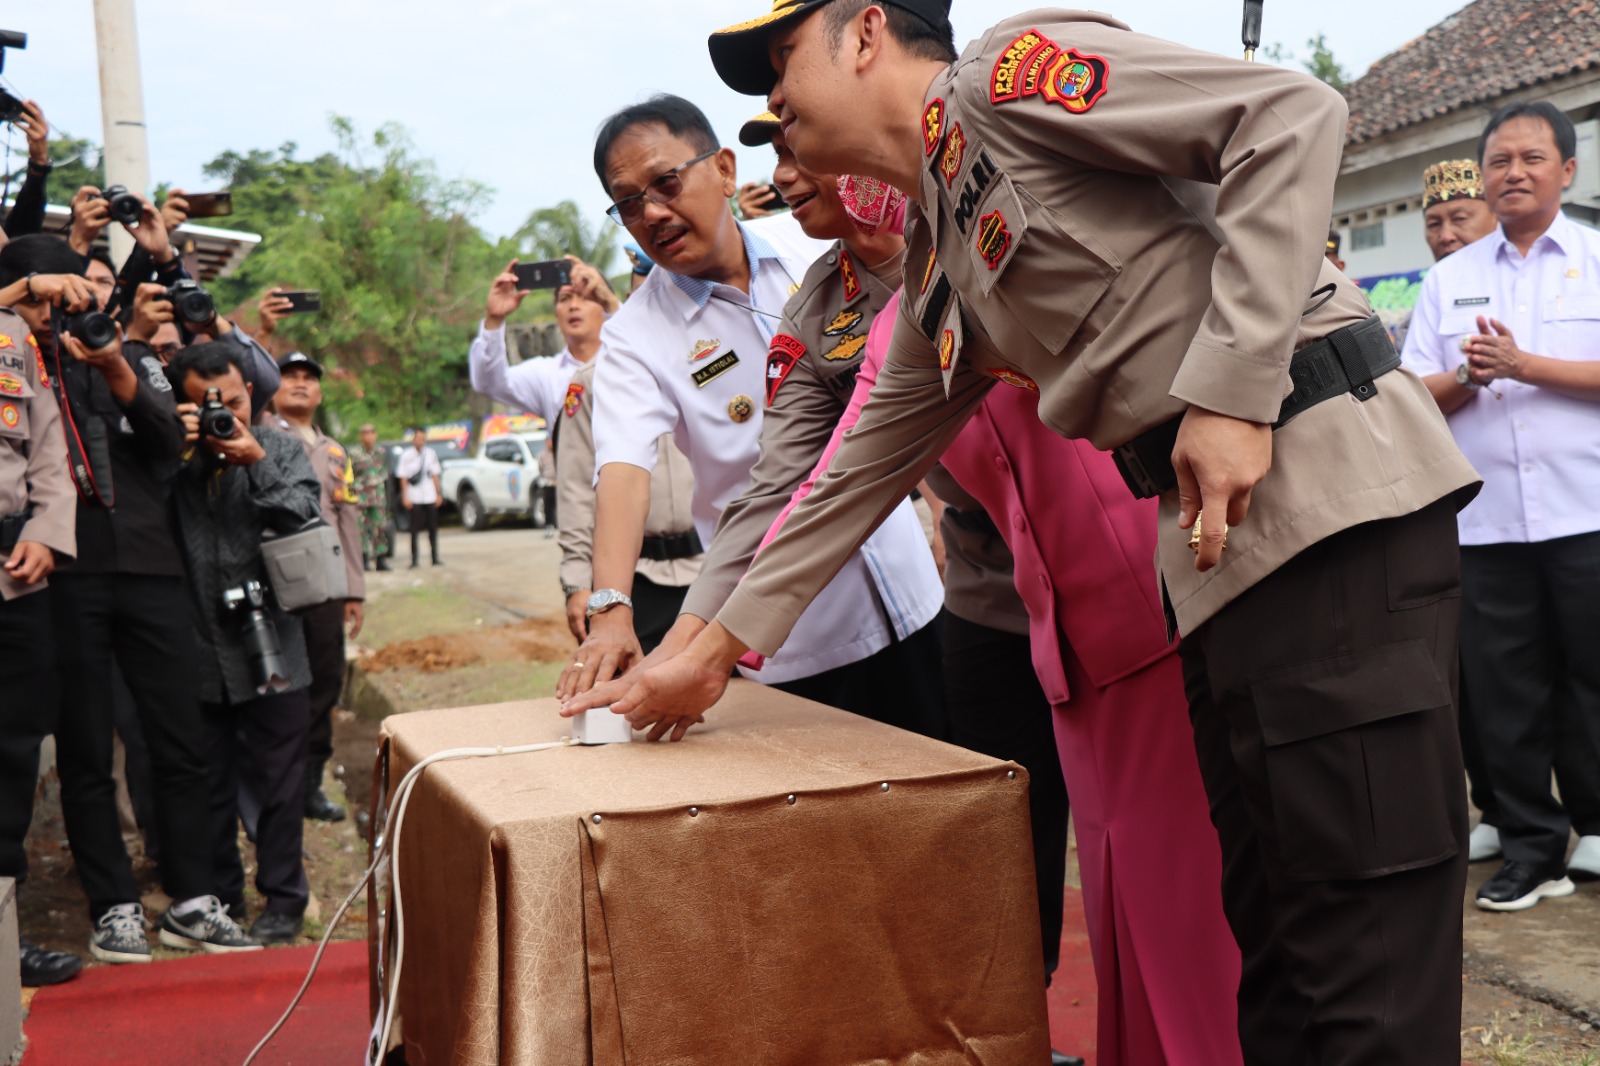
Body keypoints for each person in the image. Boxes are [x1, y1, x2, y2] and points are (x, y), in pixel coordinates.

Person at [569, 5, 1483, 1063]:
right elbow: (847, 475)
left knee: (1358, 963)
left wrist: (1231, 395)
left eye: (781, 64)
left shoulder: (1004, 77)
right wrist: (707, 651)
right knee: (1280, 962)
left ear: (866, 33)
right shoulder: (940, 260)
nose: (772, 105)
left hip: (1324, 508)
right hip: (1218, 566)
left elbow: (1289, 115)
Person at [560, 93, 944, 738]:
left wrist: (937, 506)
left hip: (911, 591)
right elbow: (623, 468)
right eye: (628, 203)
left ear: (727, 171)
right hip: (792, 637)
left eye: (667, 182)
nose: (652, 212)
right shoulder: (635, 336)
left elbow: (905, 385)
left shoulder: (814, 245)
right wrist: (610, 609)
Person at [0, 235, 259, 963]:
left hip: (151, 568)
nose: (65, 308)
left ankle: (195, 899)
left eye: (76, 291)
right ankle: (114, 907)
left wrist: (113, 361)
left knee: (179, 738)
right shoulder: (14, 352)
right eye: (46, 293)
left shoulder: (129, 352)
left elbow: (161, 441)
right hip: (63, 574)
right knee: (85, 746)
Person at [1401, 100, 1600, 908]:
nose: (1513, 172)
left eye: (1531, 158)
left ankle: (1597, 827)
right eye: (1500, 160)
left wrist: (1524, 365)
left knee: (1592, 680)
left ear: (1568, 171)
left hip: (1587, 510)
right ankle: (1531, 846)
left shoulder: (1594, 255)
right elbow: (1411, 394)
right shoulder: (1450, 278)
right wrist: (1471, 376)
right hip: (1483, 522)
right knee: (1504, 691)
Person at [169, 342, 322, 944]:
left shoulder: (282, 448)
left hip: (275, 642)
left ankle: (284, 899)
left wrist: (254, 459)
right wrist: (173, 444)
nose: (221, 413)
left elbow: (308, 516)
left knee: (282, 784)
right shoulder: (175, 460)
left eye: (232, 400)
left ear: (250, 394)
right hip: (195, 646)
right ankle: (220, 897)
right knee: (208, 781)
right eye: (205, 403)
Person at [1399, 159, 1506, 863]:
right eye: (1434, 222)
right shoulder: (1435, 294)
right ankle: (1500, 807)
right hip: (1466, 513)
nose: (1444, 234)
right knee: (1481, 676)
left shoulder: (1526, 280)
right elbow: (1412, 392)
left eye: (1458, 218)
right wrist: (1471, 372)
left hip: (1561, 511)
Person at [0, 293, 81, 986]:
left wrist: (47, 533)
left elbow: (48, 451)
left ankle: (3, 940)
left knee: (13, 752)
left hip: (14, 572)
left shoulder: (12, 338)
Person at [270, 351, 366, 824]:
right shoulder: (262, 434)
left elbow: (348, 520)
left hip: (327, 584)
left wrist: (355, 589)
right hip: (278, 584)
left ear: (320, 392)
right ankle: (279, 785)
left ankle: (310, 786)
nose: (301, 384)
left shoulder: (335, 451)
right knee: (283, 682)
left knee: (326, 680)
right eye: (290, 376)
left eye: (309, 378)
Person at [556, 359, 703, 649]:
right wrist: (577, 582)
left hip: (711, 570)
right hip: (634, 579)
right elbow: (575, 488)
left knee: (737, 690)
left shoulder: (713, 361)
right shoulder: (594, 379)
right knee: (632, 685)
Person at [468, 256, 616, 421]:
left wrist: (613, 305)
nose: (573, 306)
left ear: (604, 303)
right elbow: (488, 384)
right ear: (555, 313)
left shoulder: (625, 360)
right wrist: (494, 319)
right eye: (564, 298)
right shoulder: (546, 375)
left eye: (585, 297)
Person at [396, 428, 443, 567]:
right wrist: (405, 496)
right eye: (418, 438)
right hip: (414, 495)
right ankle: (414, 560)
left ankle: (435, 558)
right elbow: (403, 477)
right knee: (414, 529)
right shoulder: (406, 455)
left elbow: (435, 474)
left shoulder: (431, 454)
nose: (420, 441)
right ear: (414, 439)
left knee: (433, 528)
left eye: (423, 438)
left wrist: (438, 493)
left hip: (429, 494)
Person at [350, 423, 393, 571]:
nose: (369, 436)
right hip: (360, 497)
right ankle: (363, 560)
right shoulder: (354, 454)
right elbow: (349, 477)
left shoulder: (381, 452)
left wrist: (386, 497)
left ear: (375, 435)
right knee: (360, 530)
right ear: (361, 436)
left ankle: (381, 559)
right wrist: (350, 498)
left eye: (371, 432)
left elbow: (384, 475)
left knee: (379, 528)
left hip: (377, 497)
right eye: (365, 433)